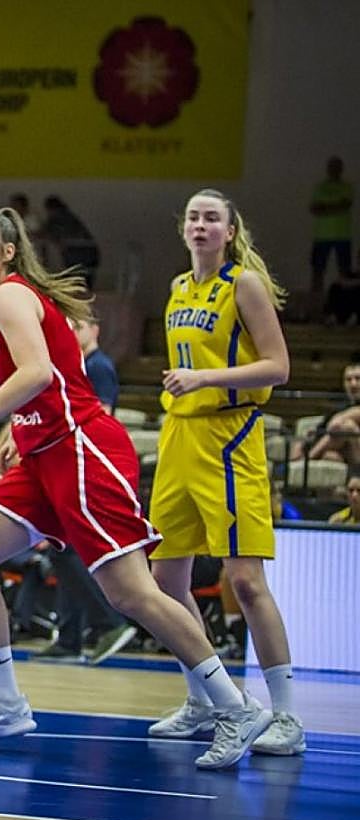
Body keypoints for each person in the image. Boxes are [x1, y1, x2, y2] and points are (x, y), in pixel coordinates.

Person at [0, 206, 269, 770]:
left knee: (131, 592)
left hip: (82, 448)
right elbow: (46, 376)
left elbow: (37, 374)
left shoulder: (10, 295)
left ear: (7, 251)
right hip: (41, 456)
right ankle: (5, 702)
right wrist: (16, 426)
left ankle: (233, 705)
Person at [146, 189, 303, 756]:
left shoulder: (244, 285)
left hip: (230, 435)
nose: (201, 225)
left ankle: (286, 716)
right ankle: (205, 700)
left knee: (245, 581)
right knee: (165, 583)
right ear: (182, 228)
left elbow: (278, 367)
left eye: (212, 217)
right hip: (179, 438)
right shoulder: (177, 288)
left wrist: (206, 380)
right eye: (192, 216)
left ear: (230, 230)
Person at [34, 315, 135, 665]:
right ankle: (70, 636)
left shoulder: (99, 366)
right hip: (71, 458)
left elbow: (100, 414)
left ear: (95, 329)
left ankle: (108, 621)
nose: (72, 333)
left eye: (77, 327)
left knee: (69, 551)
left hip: (86, 461)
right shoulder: (75, 364)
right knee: (64, 548)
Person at [304, 362, 360, 468]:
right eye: (348, 380)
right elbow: (326, 427)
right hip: (346, 453)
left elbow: (335, 425)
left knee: (348, 426)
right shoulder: (341, 407)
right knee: (330, 456)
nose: (353, 384)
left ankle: (307, 460)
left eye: (358, 378)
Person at [310, 156, 353, 293]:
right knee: (318, 270)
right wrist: (335, 207)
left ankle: (345, 301)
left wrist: (325, 208)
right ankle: (317, 301)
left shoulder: (347, 187)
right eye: (332, 167)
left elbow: (345, 206)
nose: (334, 170)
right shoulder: (320, 187)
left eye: (337, 167)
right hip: (322, 236)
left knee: (344, 271)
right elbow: (315, 209)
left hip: (343, 235)